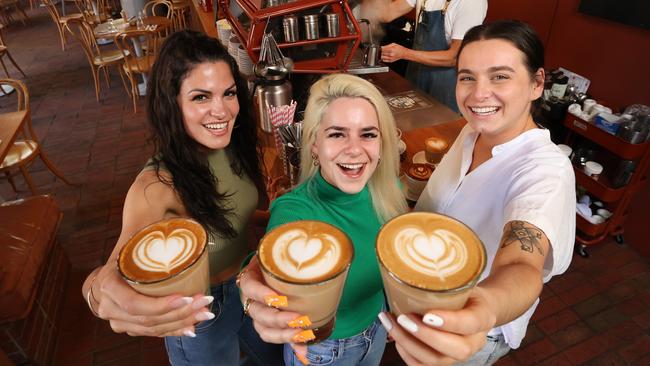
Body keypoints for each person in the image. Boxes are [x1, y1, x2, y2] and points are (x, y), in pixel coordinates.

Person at [377, 20, 576, 365]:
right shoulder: (472, 131)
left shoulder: (546, 172)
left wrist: (482, 309)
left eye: (500, 76)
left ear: (536, 83)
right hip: (424, 290)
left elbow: (521, 263)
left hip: (469, 331)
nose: (478, 93)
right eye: (467, 77)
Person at [80, 31, 282, 366]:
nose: (221, 111)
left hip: (248, 284)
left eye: (228, 93)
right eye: (201, 97)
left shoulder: (231, 146)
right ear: (172, 103)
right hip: (203, 312)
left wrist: (274, 215)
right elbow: (110, 274)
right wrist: (98, 293)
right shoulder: (155, 186)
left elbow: (231, 217)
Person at [237, 73, 408, 365]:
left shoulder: (389, 191)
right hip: (323, 349)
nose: (355, 149)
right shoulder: (294, 211)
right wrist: (252, 282)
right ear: (314, 144)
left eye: (368, 134)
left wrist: (392, 307)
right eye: (337, 134)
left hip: (377, 328)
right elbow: (266, 266)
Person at [375, 0, 487, 112]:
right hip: (416, 77)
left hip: (445, 87)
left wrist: (405, 53)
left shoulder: (472, 3)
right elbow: (387, 14)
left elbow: (455, 57)